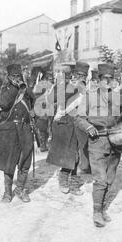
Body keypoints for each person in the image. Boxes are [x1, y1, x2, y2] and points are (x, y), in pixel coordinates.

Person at [74, 63, 122, 228]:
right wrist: (89, 127)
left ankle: (102, 206)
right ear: (98, 80)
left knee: (109, 178)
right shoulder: (89, 96)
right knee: (100, 179)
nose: (108, 81)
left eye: (110, 78)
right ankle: (97, 212)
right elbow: (79, 118)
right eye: (104, 78)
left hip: (115, 142)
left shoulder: (118, 96)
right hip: (97, 141)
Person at [0, 64, 35, 203]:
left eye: (19, 76)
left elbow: (34, 104)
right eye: (14, 77)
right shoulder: (5, 90)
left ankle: (20, 189)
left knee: (25, 160)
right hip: (10, 130)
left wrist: (34, 114)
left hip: (25, 129)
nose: (17, 79)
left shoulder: (26, 90)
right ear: (9, 77)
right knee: (9, 162)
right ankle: (7, 192)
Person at [47, 63, 89, 195]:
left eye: (84, 75)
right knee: (69, 156)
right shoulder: (64, 86)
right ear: (74, 75)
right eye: (79, 75)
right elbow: (51, 100)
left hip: (80, 125)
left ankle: (75, 184)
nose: (81, 77)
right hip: (66, 125)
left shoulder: (87, 89)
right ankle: (63, 180)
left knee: (79, 156)